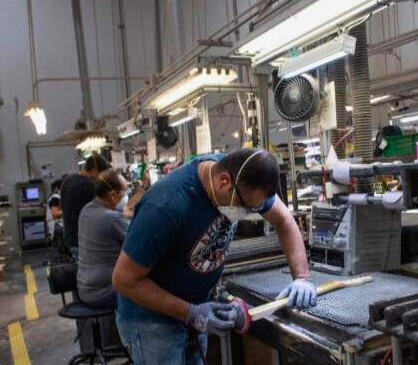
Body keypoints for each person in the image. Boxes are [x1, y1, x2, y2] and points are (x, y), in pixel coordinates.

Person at [112, 149, 315, 364]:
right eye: (245, 207)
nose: (247, 213)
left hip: (198, 310)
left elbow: (284, 220)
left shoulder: (242, 179)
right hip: (152, 321)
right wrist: (191, 313)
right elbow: (124, 280)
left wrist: (302, 277)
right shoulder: (165, 207)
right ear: (224, 182)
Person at [77, 170, 130, 308]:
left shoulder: (86, 210)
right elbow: (141, 243)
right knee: (155, 291)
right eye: (124, 194)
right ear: (112, 195)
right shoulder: (111, 219)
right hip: (104, 293)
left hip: (85, 289)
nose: (126, 197)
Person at [61, 153, 111, 257]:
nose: (102, 179)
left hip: (70, 238)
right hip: (84, 242)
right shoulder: (89, 185)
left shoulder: (67, 181)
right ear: (94, 171)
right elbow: (103, 211)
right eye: (102, 175)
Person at [46, 179, 63, 244]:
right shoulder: (55, 197)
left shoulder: (58, 197)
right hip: (56, 225)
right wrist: (68, 210)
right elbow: (55, 214)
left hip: (59, 223)